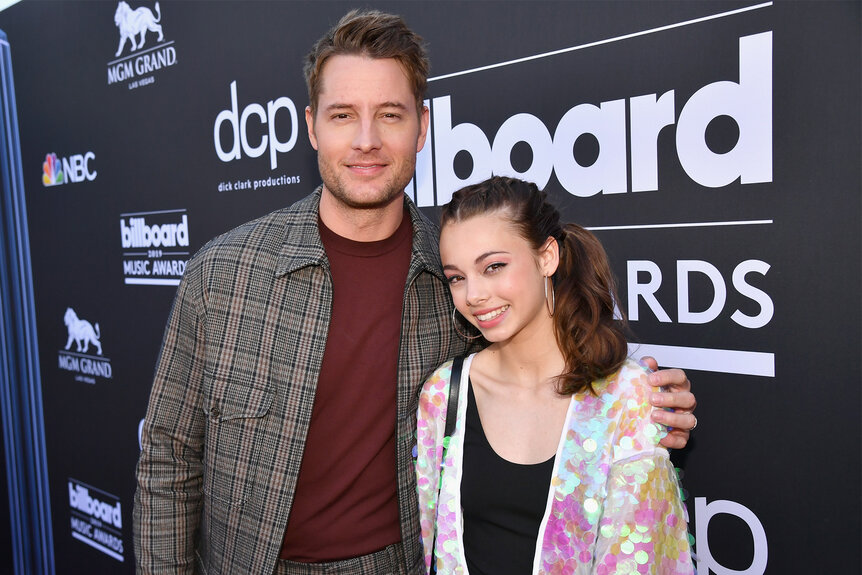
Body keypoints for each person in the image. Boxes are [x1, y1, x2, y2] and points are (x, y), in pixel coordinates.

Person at [134, 10, 697, 575]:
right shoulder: (223, 273)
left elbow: (547, 361)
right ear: (310, 126)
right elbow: (168, 460)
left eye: (389, 115)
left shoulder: (454, 275)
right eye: (342, 115)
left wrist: (636, 398)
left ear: (422, 127)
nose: (366, 140)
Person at [416, 176, 694, 574]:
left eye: (493, 267)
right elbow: (429, 543)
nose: (473, 295)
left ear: (547, 257)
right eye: (457, 277)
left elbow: (641, 559)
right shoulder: (444, 393)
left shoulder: (625, 397)